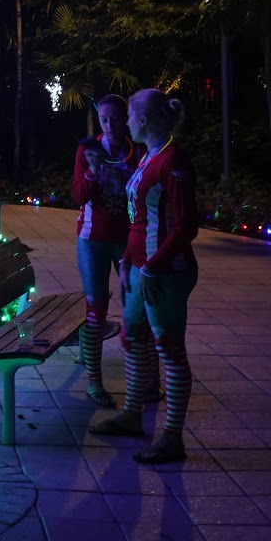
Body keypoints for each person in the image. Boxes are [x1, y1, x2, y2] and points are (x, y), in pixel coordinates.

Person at [90, 87, 200, 465]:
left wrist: (152, 266)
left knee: (169, 349)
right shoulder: (150, 155)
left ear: (144, 119)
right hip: (142, 268)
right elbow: (140, 217)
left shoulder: (173, 159)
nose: (124, 123)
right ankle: (132, 414)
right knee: (132, 336)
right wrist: (127, 259)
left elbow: (186, 225)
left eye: (129, 117)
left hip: (165, 272)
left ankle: (172, 437)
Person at [72, 93, 142, 407]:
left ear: (126, 118)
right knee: (95, 310)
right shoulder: (88, 150)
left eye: (115, 118)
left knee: (135, 309)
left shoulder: (136, 151)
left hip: (127, 240)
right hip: (92, 239)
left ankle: (143, 379)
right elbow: (78, 196)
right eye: (103, 119)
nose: (109, 124)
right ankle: (94, 382)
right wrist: (91, 171)